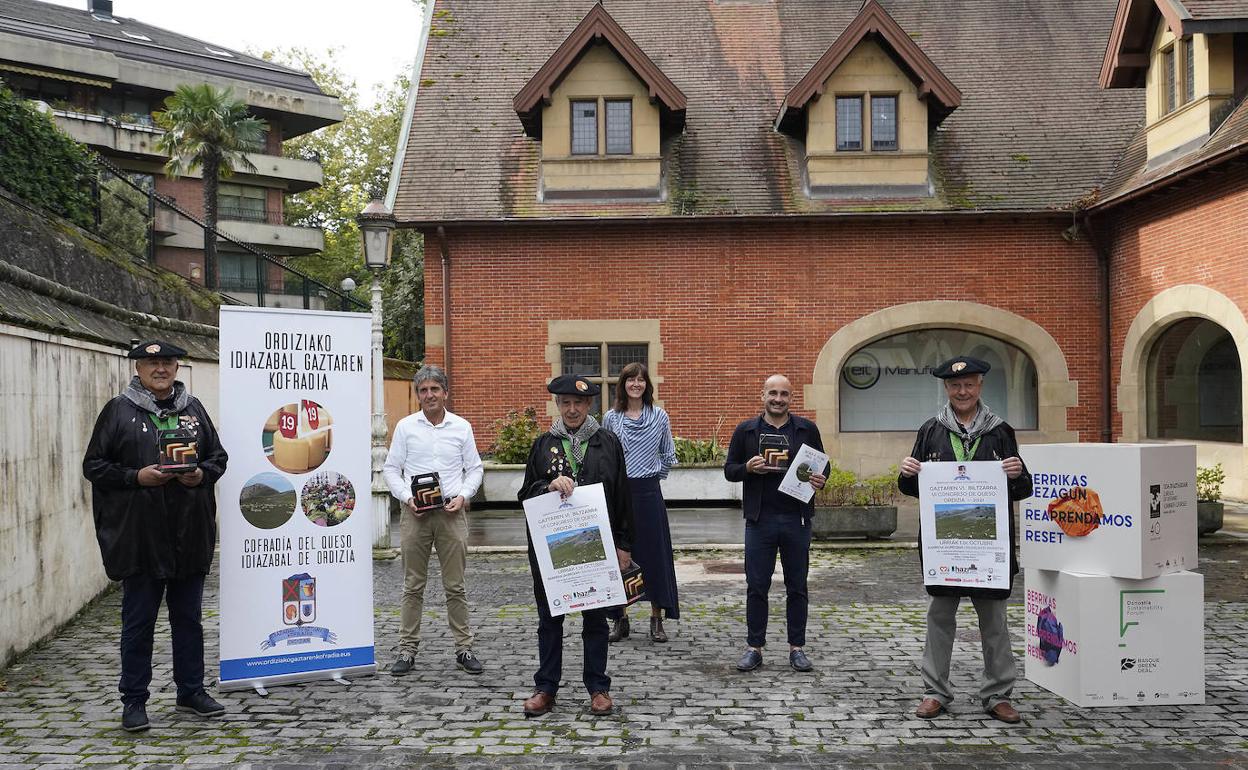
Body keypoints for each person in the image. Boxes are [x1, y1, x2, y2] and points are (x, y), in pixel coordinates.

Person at [82, 340, 229, 733]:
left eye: (167, 362)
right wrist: (136, 477)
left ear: (177, 367)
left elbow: (218, 458)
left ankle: (191, 691)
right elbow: (94, 466)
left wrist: (201, 475)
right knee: (138, 622)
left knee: (189, 620)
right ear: (138, 368)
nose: (160, 368)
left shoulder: (193, 409)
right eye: (152, 363)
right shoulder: (119, 410)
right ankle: (134, 700)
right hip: (141, 536)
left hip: (189, 533)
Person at [897, 355, 1033, 724]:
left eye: (968, 385)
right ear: (947, 387)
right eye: (956, 385)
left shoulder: (1000, 431)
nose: (962, 391)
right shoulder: (930, 430)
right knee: (939, 618)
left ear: (980, 386)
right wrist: (907, 473)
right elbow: (913, 487)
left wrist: (1018, 473)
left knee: (995, 623)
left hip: (989, 549)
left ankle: (998, 694)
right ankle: (935, 692)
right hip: (945, 548)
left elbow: (1023, 488)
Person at [518, 374, 634, 717]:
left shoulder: (607, 442)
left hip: (598, 547)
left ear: (589, 405)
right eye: (566, 403)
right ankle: (546, 688)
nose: (572, 410)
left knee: (595, 619)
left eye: (578, 403)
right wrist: (547, 486)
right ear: (558, 404)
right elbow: (525, 494)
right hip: (551, 549)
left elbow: (623, 497)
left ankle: (598, 687)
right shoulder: (543, 445)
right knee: (549, 619)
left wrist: (624, 545)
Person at [383, 365, 485, 676]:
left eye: (434, 389)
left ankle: (464, 648)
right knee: (412, 585)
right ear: (418, 395)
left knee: (455, 585)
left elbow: (475, 468)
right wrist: (407, 497)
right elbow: (391, 469)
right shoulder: (405, 427)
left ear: (445, 393)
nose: (429, 395)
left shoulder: (461, 427)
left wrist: (464, 496)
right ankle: (407, 650)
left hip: (451, 512)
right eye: (423, 390)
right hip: (416, 514)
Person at [723, 374, 827, 673]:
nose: (778, 399)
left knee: (797, 586)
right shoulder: (746, 430)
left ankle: (797, 648)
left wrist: (821, 479)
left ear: (791, 398)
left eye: (784, 394)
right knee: (757, 586)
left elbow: (823, 465)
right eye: (773, 393)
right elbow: (729, 470)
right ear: (763, 396)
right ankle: (754, 648)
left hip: (797, 518)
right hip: (760, 520)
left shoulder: (806, 429)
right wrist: (747, 467)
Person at [602, 362, 679, 643]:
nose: (636, 384)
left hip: (649, 494)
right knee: (619, 557)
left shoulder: (659, 416)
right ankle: (619, 618)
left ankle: (656, 619)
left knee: (654, 557)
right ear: (622, 384)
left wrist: (652, 478)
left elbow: (668, 454)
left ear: (647, 384)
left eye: (641, 380)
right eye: (630, 379)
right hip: (620, 495)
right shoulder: (611, 418)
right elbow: (606, 457)